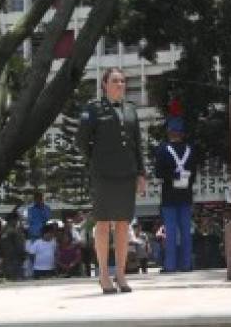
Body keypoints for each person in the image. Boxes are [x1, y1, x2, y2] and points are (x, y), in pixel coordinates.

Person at [77, 67, 148, 293]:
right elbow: (81, 141)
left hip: (126, 174)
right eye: (115, 81)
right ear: (105, 85)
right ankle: (104, 275)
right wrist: (96, 160)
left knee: (123, 224)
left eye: (123, 81)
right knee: (103, 223)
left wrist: (141, 174)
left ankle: (121, 274)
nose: (120, 85)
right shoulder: (93, 109)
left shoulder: (130, 110)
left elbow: (137, 144)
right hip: (103, 175)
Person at [155, 100, 197, 273]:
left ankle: (170, 265)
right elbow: (194, 172)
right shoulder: (191, 149)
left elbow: (159, 173)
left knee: (170, 231)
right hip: (185, 193)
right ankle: (186, 264)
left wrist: (172, 175)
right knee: (186, 231)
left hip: (169, 195)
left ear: (169, 131)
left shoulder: (162, 149)